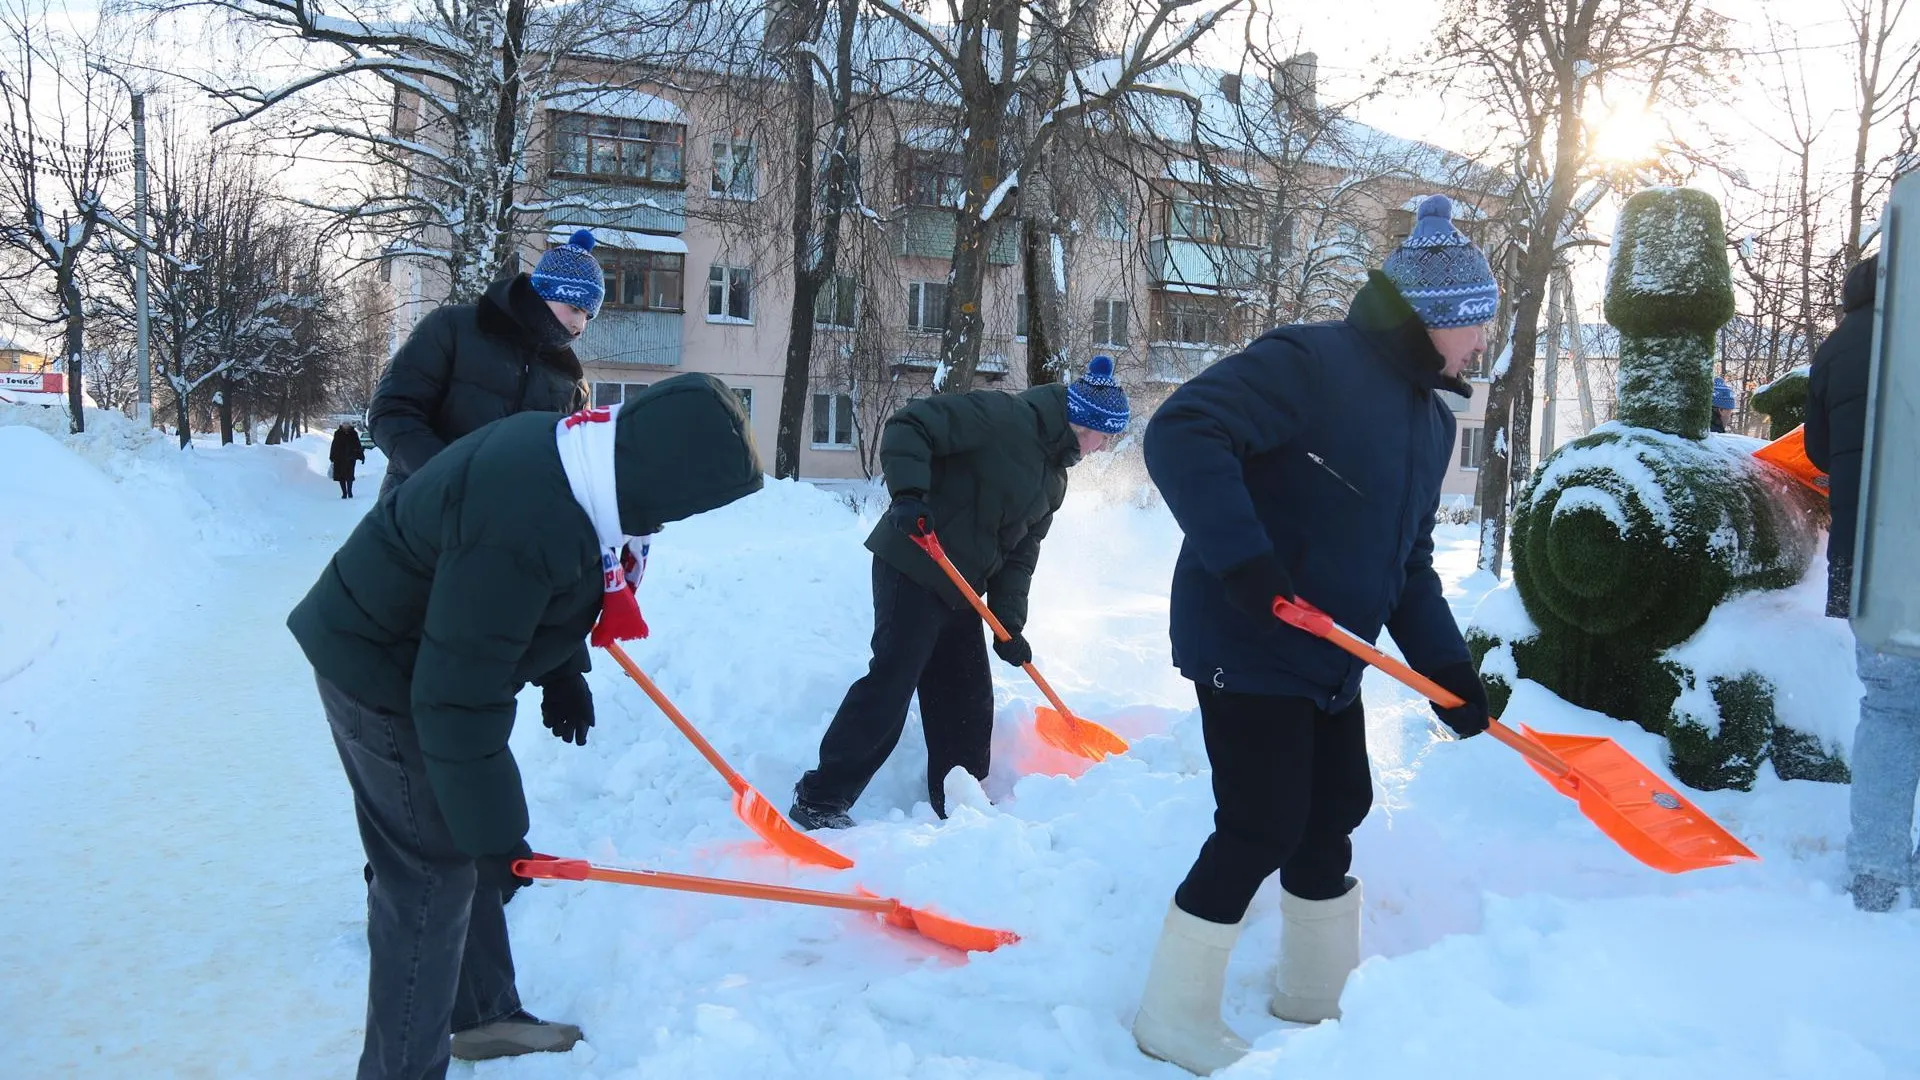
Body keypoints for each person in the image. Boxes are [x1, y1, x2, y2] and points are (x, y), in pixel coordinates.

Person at [288, 375, 764, 1078]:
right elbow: (457, 692)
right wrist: (496, 834)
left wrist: (563, 667)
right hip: (381, 667)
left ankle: (482, 1015)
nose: (677, 522)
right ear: (667, 478)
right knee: (430, 880)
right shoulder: (530, 512)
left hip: (416, 654)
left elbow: (545, 585)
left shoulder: (581, 461)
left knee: (451, 852)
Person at [1131, 194, 1494, 1075]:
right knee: (1261, 823)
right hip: (1248, 633)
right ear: (1434, 319)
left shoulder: (1430, 419)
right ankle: (1170, 1018)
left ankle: (1317, 993)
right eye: (1477, 322)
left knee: (1335, 811)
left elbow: (1406, 562)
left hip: (1330, 651)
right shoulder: (1313, 360)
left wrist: (1446, 666)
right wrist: (1248, 566)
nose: (1484, 340)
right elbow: (1183, 431)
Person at [788, 356, 1132, 828]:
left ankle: (959, 800)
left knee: (966, 696)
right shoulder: (1001, 417)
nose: (1104, 446)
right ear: (1084, 423)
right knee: (893, 678)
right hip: (914, 558)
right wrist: (909, 496)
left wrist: (1010, 623)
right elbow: (911, 426)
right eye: (1105, 434)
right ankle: (820, 798)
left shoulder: (1054, 481)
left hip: (959, 586)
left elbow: (1020, 556)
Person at [1805, 253, 1917, 913]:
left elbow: (1820, 451)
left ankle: (1876, 873)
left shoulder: (1840, 344)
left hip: (1868, 555)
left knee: (1890, 706)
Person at [368, 228, 604, 499]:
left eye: (588, 315)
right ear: (543, 292)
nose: (580, 325)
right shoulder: (453, 328)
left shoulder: (571, 379)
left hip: (502, 534)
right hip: (422, 514)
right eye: (575, 308)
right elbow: (392, 411)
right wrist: (451, 480)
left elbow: (572, 466)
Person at [330, 423, 367, 498]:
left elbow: (358, 445)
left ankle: (350, 492)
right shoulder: (337, 433)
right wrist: (332, 456)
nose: (346, 425)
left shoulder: (354, 433)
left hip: (351, 458)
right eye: (344, 424)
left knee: (350, 475)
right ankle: (344, 493)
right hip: (339, 458)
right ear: (342, 425)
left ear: (350, 425)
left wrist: (361, 456)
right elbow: (334, 445)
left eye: (347, 424)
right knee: (341, 476)